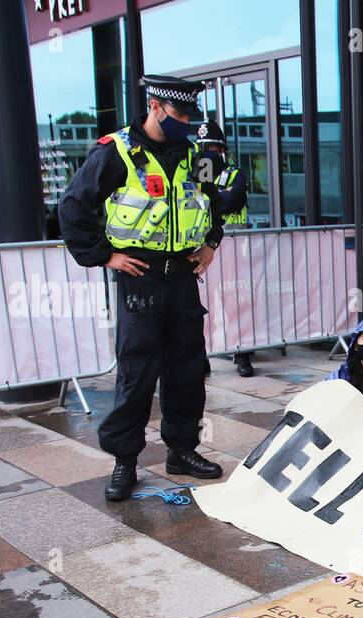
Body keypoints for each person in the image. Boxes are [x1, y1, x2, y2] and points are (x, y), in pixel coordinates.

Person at [58, 75, 226, 501]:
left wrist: (210, 243)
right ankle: (125, 460)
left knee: (187, 369)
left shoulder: (194, 155)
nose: (185, 123)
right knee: (137, 372)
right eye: (178, 114)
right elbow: (72, 207)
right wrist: (104, 255)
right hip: (140, 276)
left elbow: (213, 201)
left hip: (183, 276)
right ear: (155, 107)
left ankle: (181, 450)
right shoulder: (115, 152)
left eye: (190, 116)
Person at [196, 120, 258, 378]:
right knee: (204, 307)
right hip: (204, 251)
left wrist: (211, 198)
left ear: (221, 150)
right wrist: (212, 197)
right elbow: (195, 201)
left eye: (212, 148)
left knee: (237, 304)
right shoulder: (197, 174)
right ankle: (203, 356)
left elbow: (232, 200)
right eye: (203, 149)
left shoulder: (234, 174)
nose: (207, 154)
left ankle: (242, 353)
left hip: (233, 251)